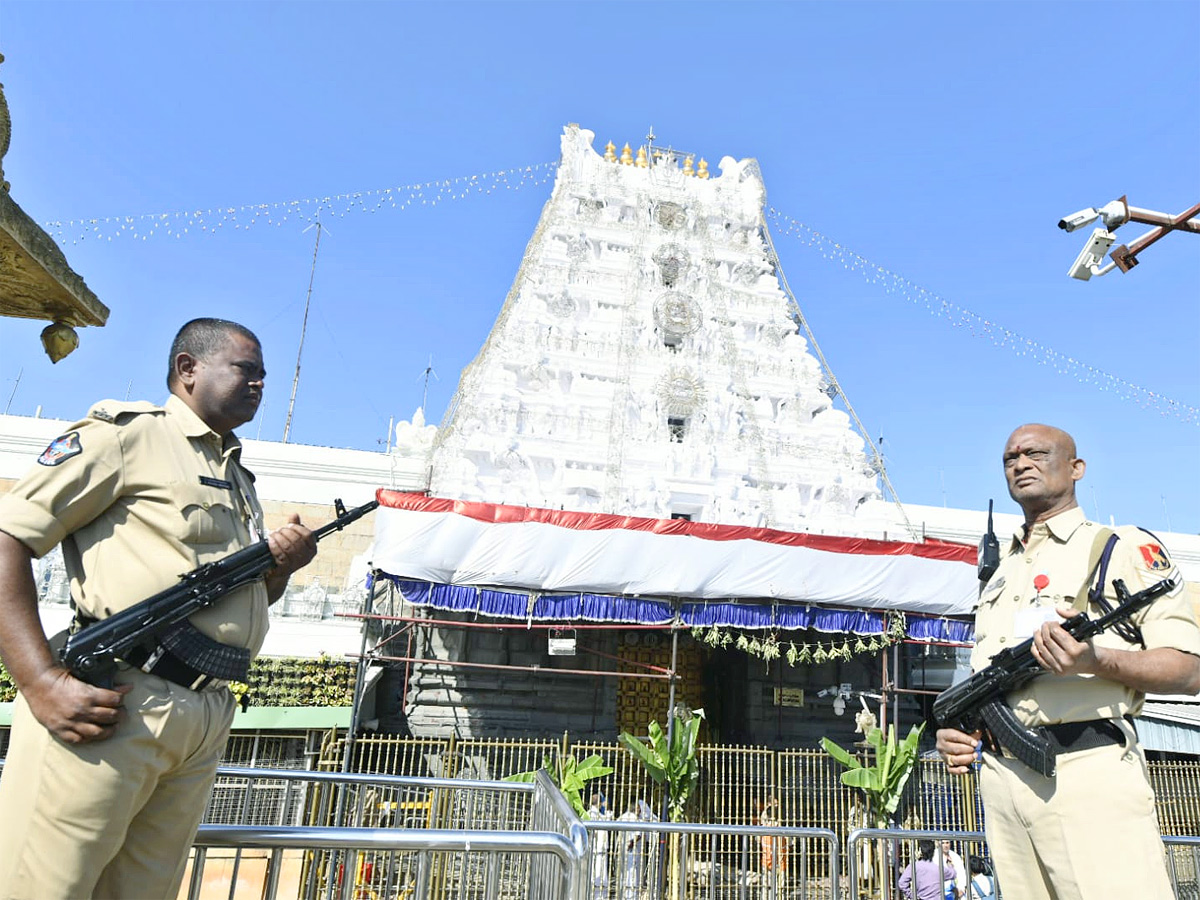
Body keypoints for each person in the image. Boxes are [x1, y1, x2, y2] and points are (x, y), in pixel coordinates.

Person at [0, 318, 318, 899]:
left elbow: (240, 601)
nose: (260, 385)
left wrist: (278, 572)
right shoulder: (126, 439)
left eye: (264, 376)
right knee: (44, 888)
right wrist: (39, 681)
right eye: (246, 370)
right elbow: (7, 537)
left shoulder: (238, 476)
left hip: (202, 713)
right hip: (114, 702)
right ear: (187, 369)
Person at [936, 423, 1200, 899]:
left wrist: (1095, 659)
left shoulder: (1116, 549)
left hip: (1085, 770)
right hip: (1000, 779)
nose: (1020, 463)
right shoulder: (1001, 572)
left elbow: (1188, 670)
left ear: (1076, 468)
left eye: (1035, 452)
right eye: (1010, 457)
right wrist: (965, 731)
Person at [588, 792, 612, 900]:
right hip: (596, 846)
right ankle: (598, 892)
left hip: (599, 846)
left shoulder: (597, 814)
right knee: (598, 869)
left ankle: (598, 890)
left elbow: (608, 818)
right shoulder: (592, 814)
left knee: (600, 868)